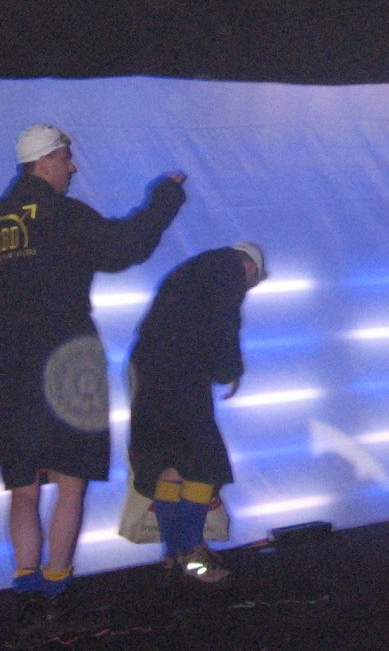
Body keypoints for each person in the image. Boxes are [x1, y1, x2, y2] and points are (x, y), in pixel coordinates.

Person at [0, 124, 186, 645]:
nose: (72, 166)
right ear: (44, 162)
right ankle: (58, 596)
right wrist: (165, 197)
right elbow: (126, 247)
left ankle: (28, 601)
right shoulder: (63, 215)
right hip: (67, 371)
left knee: (23, 490)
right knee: (70, 484)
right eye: (66, 158)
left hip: (6, 380)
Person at [127, 241, 267, 588]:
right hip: (182, 374)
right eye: (252, 283)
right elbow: (224, 323)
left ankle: (172, 555)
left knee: (170, 463)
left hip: (149, 370)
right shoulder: (227, 271)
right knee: (204, 464)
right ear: (250, 268)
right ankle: (193, 554)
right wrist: (229, 370)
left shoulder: (192, 270)